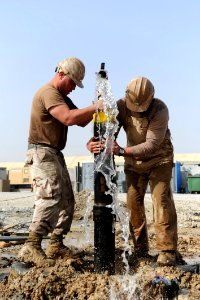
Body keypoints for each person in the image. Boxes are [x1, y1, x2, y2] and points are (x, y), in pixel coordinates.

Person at [18, 57, 103, 266]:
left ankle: (56, 243)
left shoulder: (61, 95)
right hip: (42, 152)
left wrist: (96, 106)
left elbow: (81, 121)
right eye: (73, 82)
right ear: (61, 74)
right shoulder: (49, 93)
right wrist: (96, 106)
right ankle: (32, 244)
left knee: (67, 199)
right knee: (50, 197)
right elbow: (68, 118)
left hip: (54, 153)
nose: (74, 88)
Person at [87, 76, 180, 266]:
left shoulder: (160, 109)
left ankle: (167, 250)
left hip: (159, 160)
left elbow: (152, 145)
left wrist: (121, 151)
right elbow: (110, 131)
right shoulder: (121, 106)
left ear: (151, 97)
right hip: (133, 163)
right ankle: (140, 249)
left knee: (160, 200)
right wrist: (94, 142)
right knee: (133, 203)